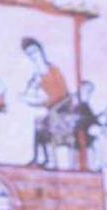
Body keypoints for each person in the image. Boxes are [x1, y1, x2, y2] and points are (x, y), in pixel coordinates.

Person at [20, 37, 73, 167]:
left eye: (35, 51)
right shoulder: (36, 76)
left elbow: (62, 92)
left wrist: (46, 102)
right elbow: (33, 97)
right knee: (38, 123)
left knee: (47, 122)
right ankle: (40, 158)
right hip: (52, 108)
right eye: (30, 54)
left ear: (41, 50)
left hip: (63, 107)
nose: (34, 56)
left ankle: (51, 160)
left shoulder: (53, 69)